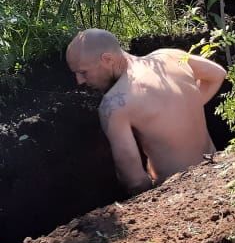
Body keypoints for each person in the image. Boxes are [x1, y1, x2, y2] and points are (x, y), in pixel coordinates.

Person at [66, 29, 226, 196]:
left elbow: (134, 181)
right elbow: (217, 74)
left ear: (107, 59)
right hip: (217, 169)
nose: (79, 81)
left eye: (83, 72)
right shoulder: (168, 56)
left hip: (182, 193)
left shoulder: (114, 105)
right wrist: (190, 104)